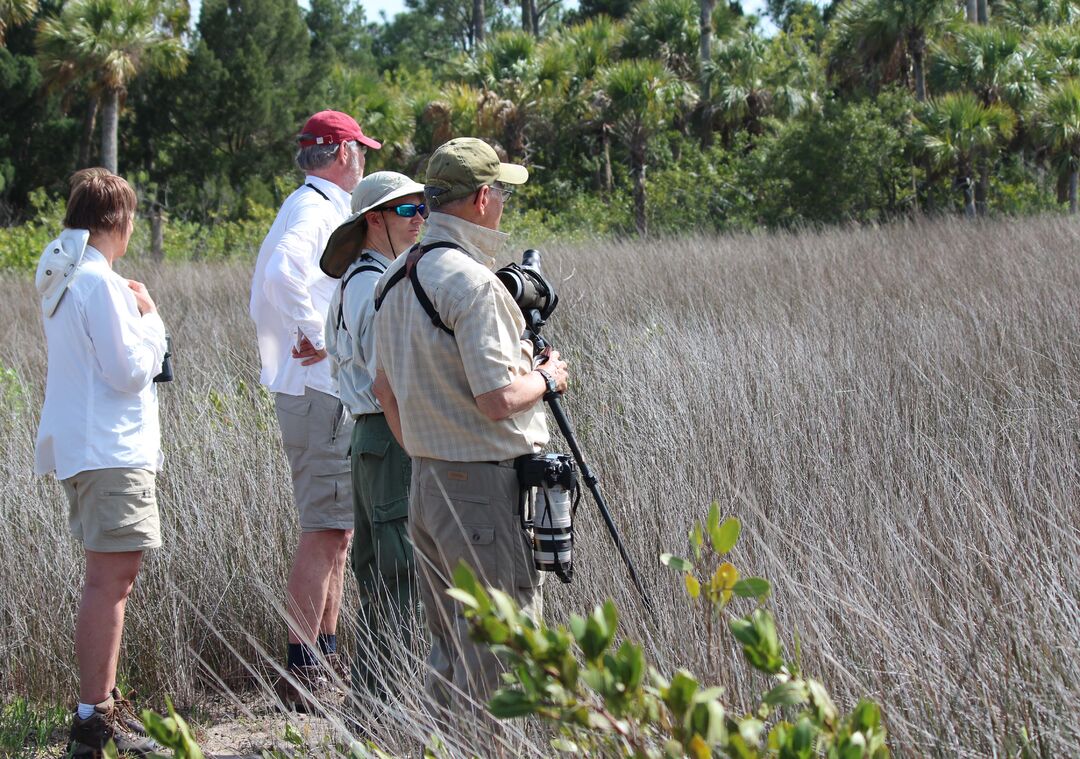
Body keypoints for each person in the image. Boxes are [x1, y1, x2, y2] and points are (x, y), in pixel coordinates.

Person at [371, 138, 569, 718]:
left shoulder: (393, 278)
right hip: (482, 491)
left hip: (427, 485)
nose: (502, 204)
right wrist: (550, 376)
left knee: (451, 650)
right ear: (483, 197)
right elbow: (499, 397)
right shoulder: (473, 283)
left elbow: (383, 391)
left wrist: (432, 453)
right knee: (502, 656)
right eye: (500, 192)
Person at [34, 168, 168, 757]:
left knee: (109, 578)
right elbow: (128, 370)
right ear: (121, 220)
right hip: (112, 451)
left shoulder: (64, 278)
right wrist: (153, 320)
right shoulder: (102, 283)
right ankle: (93, 718)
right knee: (111, 581)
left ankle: (102, 705)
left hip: (85, 449)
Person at [249, 110, 380, 710]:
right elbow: (279, 277)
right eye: (361, 150)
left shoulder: (315, 205)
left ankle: (323, 656)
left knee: (338, 530)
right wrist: (313, 335)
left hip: (320, 391)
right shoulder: (314, 209)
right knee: (325, 531)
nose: (365, 160)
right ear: (344, 153)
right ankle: (303, 670)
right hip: (318, 390)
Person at [320, 171, 426, 698]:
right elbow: (388, 382)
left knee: (377, 570)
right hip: (387, 434)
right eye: (407, 211)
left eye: (422, 207)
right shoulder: (378, 284)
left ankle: (373, 698)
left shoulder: (355, 280)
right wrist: (417, 445)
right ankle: (394, 702)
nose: (420, 219)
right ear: (375, 219)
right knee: (399, 571)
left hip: (366, 436)